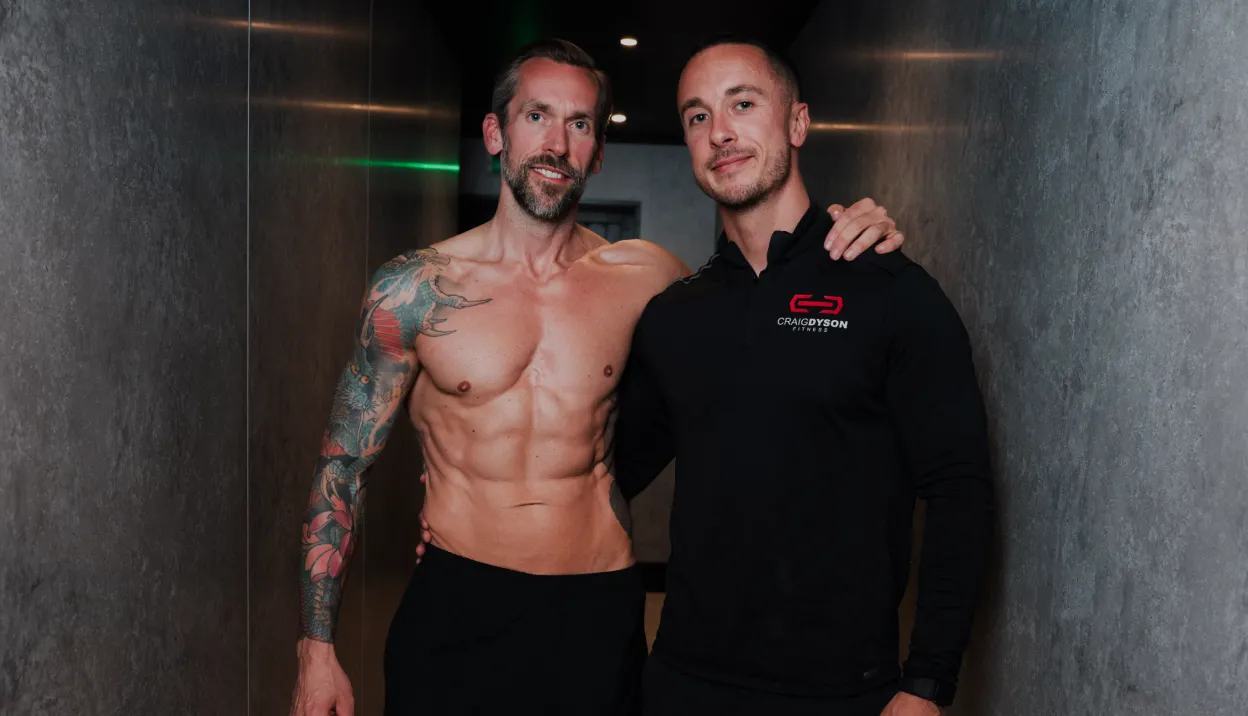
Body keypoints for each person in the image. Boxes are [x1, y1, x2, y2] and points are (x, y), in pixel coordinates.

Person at [288, 39, 905, 716]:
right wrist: (316, 648)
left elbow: (759, 305)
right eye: (537, 117)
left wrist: (841, 234)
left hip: (597, 609)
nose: (556, 143)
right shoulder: (412, 289)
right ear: (495, 133)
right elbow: (342, 466)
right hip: (460, 602)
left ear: (598, 151)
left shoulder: (648, 278)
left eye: (579, 124)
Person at [612, 38, 994, 716]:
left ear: (797, 122)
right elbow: (605, 472)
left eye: (743, 104)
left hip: (843, 691)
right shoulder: (675, 315)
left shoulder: (891, 291)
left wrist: (928, 684)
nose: (719, 131)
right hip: (683, 681)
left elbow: (959, 491)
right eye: (697, 116)